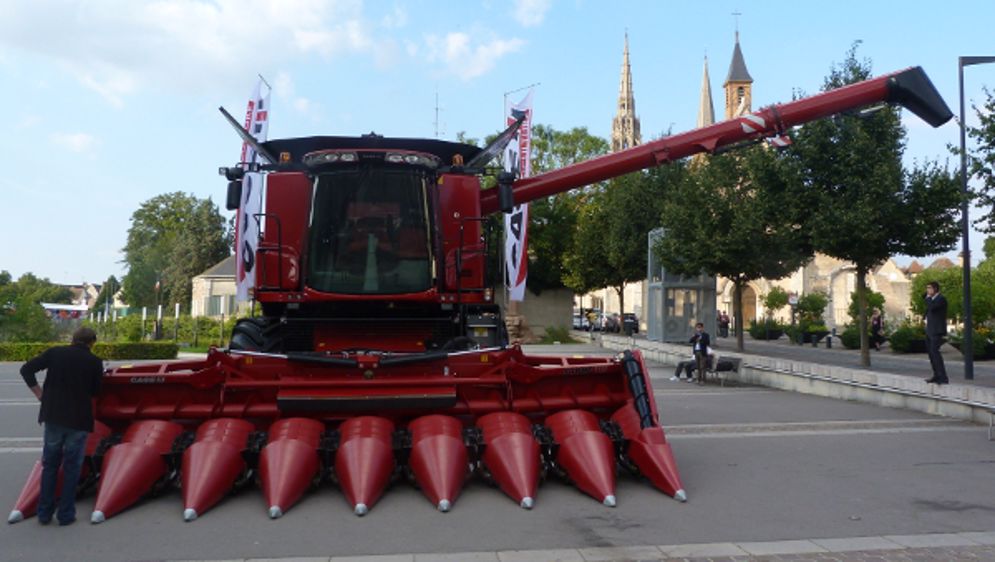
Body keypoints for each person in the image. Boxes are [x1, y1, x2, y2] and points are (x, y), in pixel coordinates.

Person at [20, 327, 104, 526]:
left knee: (49, 465)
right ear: (92, 342)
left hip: (53, 415)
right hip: (78, 419)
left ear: (73, 339)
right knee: (72, 468)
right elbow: (96, 391)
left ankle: (44, 513)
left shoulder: (55, 353)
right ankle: (66, 514)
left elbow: (26, 369)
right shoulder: (94, 362)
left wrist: (40, 394)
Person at [923, 281, 948, 385]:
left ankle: (943, 377)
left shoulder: (941, 299)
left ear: (935, 289)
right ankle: (936, 375)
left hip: (937, 330)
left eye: (929, 288)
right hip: (930, 330)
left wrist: (928, 298)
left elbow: (933, 308)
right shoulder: (931, 300)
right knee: (931, 354)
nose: (927, 291)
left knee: (935, 353)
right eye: (927, 288)